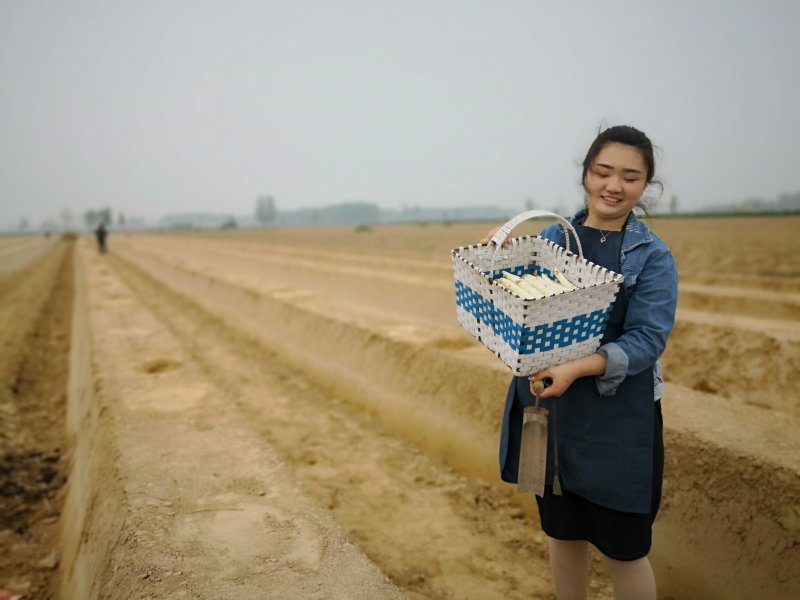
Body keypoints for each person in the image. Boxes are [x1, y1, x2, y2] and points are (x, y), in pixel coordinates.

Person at [481, 125, 678, 600]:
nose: (614, 185)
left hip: (618, 416)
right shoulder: (552, 240)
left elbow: (647, 341)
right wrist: (499, 258)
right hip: (554, 408)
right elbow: (516, 301)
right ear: (586, 173)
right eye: (603, 171)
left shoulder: (652, 257)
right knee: (562, 530)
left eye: (630, 177)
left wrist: (575, 368)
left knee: (624, 546)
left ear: (646, 184)